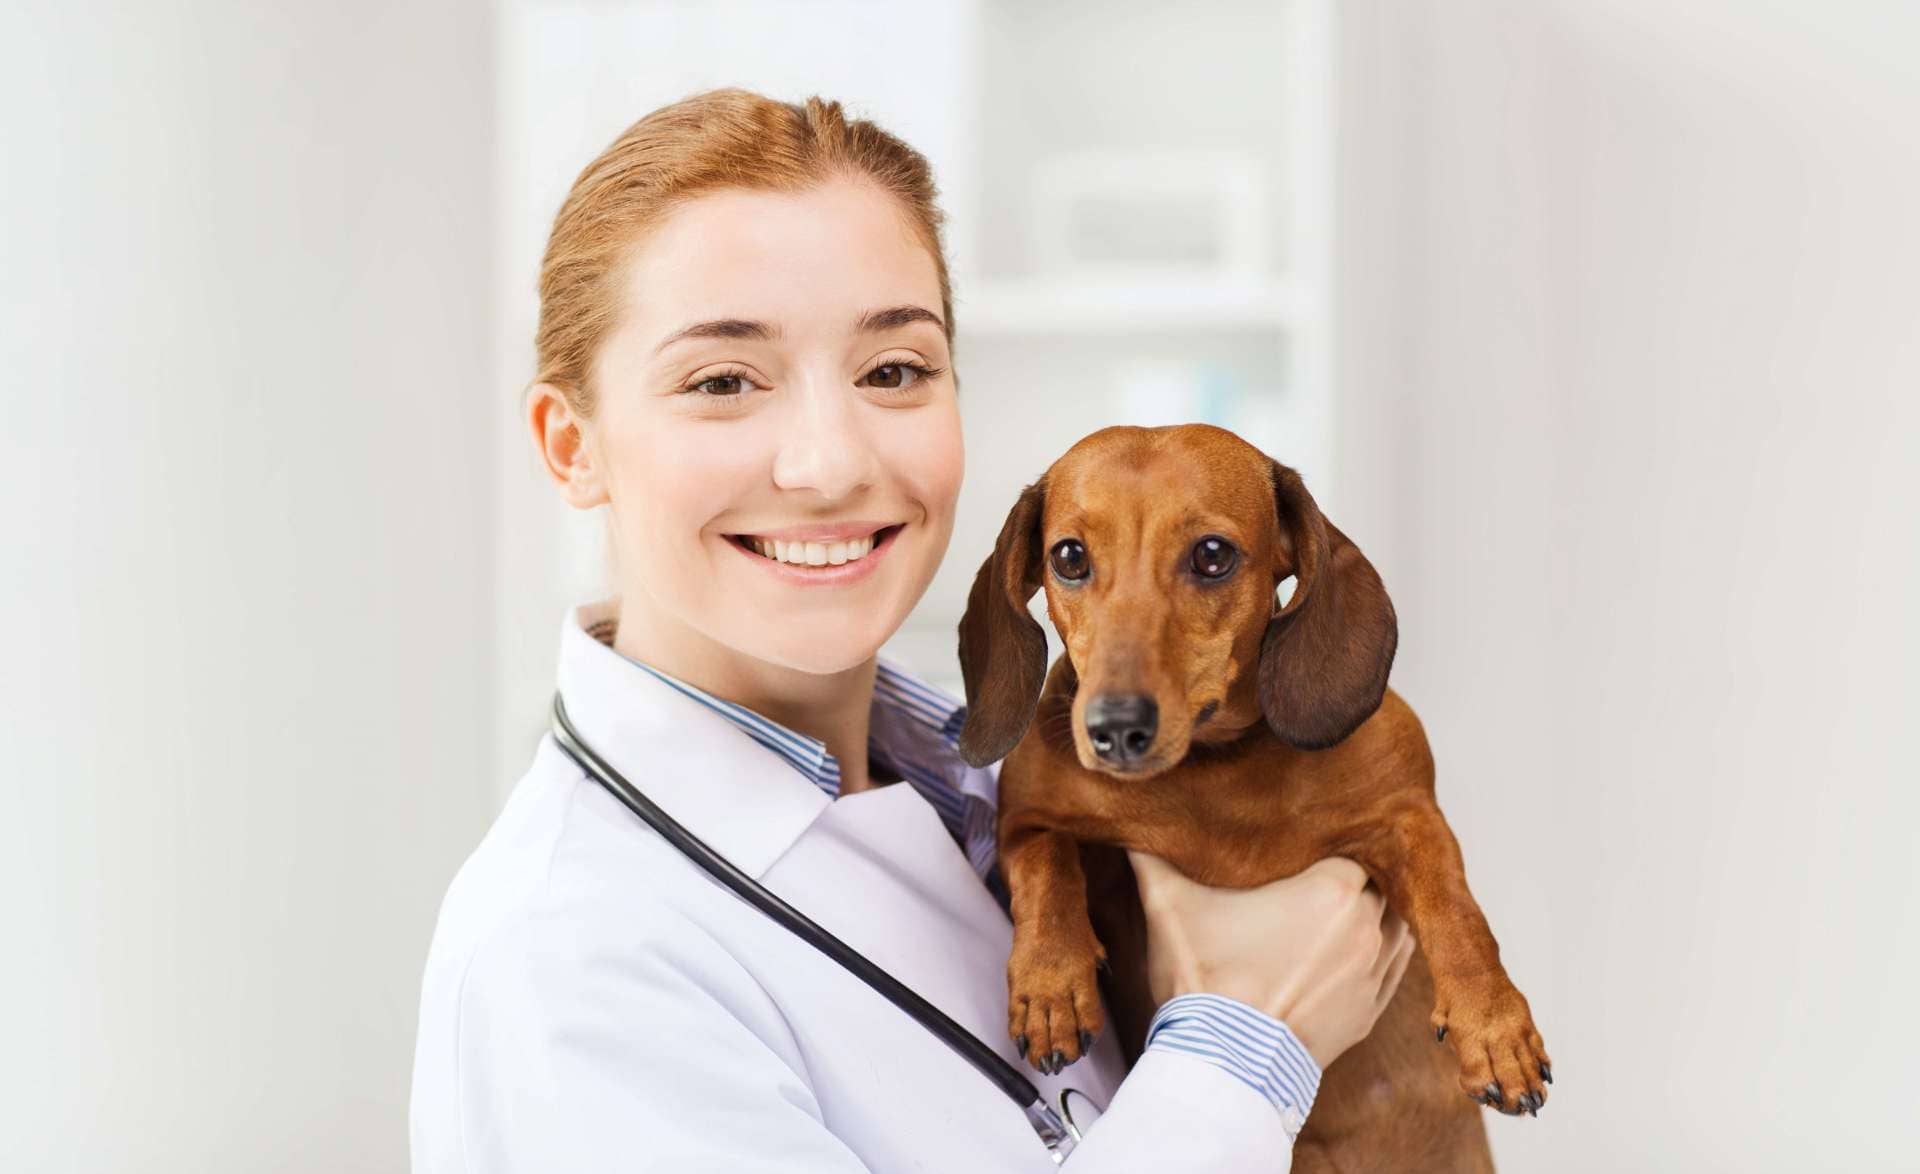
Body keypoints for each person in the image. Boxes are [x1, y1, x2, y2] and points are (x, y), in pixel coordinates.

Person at [409, 88, 1414, 1172]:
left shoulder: (1016, 787)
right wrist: (1245, 1043)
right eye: (723, 380)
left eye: (894, 369)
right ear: (572, 447)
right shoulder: (560, 967)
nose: (832, 460)